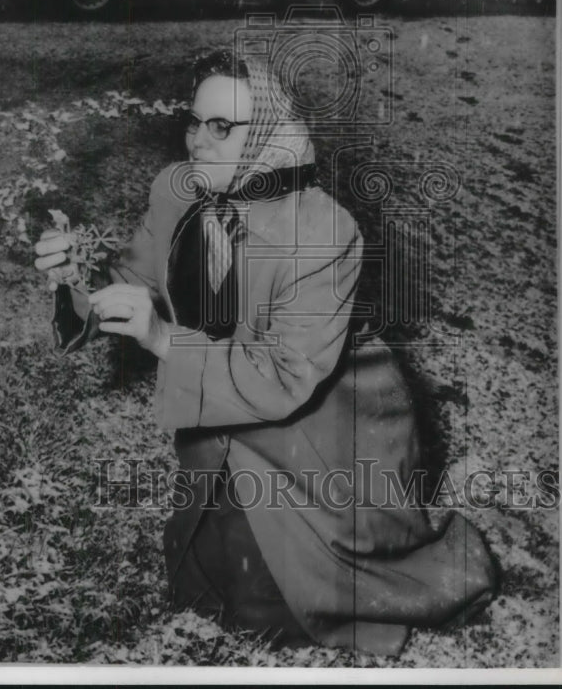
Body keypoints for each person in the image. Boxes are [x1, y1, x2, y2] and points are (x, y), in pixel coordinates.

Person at [34, 48, 496, 657]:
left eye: (221, 126)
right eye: (195, 122)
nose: (199, 140)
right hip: (226, 420)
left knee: (285, 604)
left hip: (325, 431)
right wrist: (76, 278)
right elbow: (132, 279)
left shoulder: (326, 230)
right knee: (208, 575)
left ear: (272, 134)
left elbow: (288, 375)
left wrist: (163, 340)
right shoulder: (177, 193)